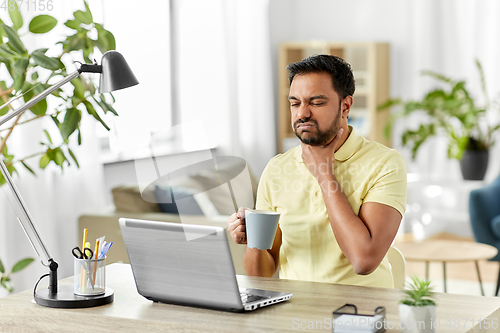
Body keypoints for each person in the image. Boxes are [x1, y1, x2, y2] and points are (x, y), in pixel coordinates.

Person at [227, 54, 407, 288]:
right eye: (295, 103)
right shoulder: (276, 169)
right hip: (293, 312)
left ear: (345, 106)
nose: (302, 113)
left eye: (316, 102)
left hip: (361, 315)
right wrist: (254, 238)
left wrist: (323, 173)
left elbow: (364, 260)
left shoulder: (385, 163)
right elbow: (261, 274)